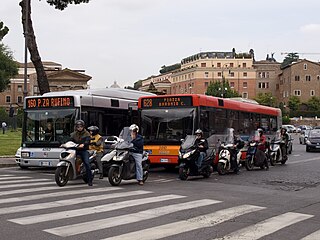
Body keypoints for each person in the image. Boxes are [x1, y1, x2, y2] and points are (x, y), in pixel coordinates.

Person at [70, 120, 93, 186]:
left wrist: (84, 144)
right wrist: (64, 143)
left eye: (81, 126)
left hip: (83, 150)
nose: (79, 128)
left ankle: (90, 180)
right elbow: (70, 140)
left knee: (87, 163)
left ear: (83, 127)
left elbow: (88, 141)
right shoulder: (73, 134)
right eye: (78, 126)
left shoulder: (87, 133)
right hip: (75, 150)